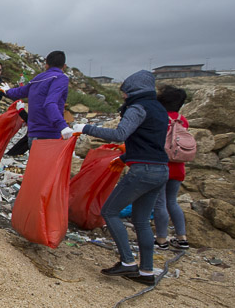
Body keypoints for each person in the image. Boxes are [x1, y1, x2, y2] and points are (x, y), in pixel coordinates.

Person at [72, 70, 169, 284]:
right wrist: (125, 157)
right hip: (161, 169)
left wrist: (84, 128)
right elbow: (149, 141)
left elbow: (119, 134)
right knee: (141, 220)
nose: (123, 96)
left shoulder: (138, 107)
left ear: (133, 90)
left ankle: (127, 262)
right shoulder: (159, 109)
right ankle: (146, 272)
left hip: (142, 171)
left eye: (124, 92)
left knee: (109, 210)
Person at [0, 50, 72, 142]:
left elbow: (20, 91)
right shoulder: (61, 78)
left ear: (46, 65)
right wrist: (62, 126)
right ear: (64, 66)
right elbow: (50, 103)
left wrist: (7, 91)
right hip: (50, 134)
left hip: (32, 134)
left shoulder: (37, 78)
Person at [153, 85, 190, 250]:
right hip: (178, 166)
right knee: (172, 202)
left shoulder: (159, 118)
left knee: (159, 203)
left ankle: (161, 239)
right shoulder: (182, 120)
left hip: (161, 165)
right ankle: (182, 237)